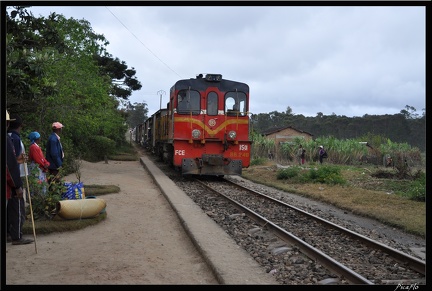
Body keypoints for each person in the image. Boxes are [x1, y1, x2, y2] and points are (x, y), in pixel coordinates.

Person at [6, 110, 34, 245]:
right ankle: (17, 236)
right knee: (17, 207)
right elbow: (12, 161)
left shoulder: (8, 135)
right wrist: (17, 184)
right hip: (13, 178)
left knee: (9, 208)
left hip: (10, 178)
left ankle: (8, 233)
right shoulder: (14, 138)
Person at [46, 122, 65, 186]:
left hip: (54, 164)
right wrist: (59, 164)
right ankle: (54, 194)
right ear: (58, 129)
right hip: (54, 165)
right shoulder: (53, 139)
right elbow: (54, 154)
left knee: (54, 180)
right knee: (55, 181)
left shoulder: (54, 138)